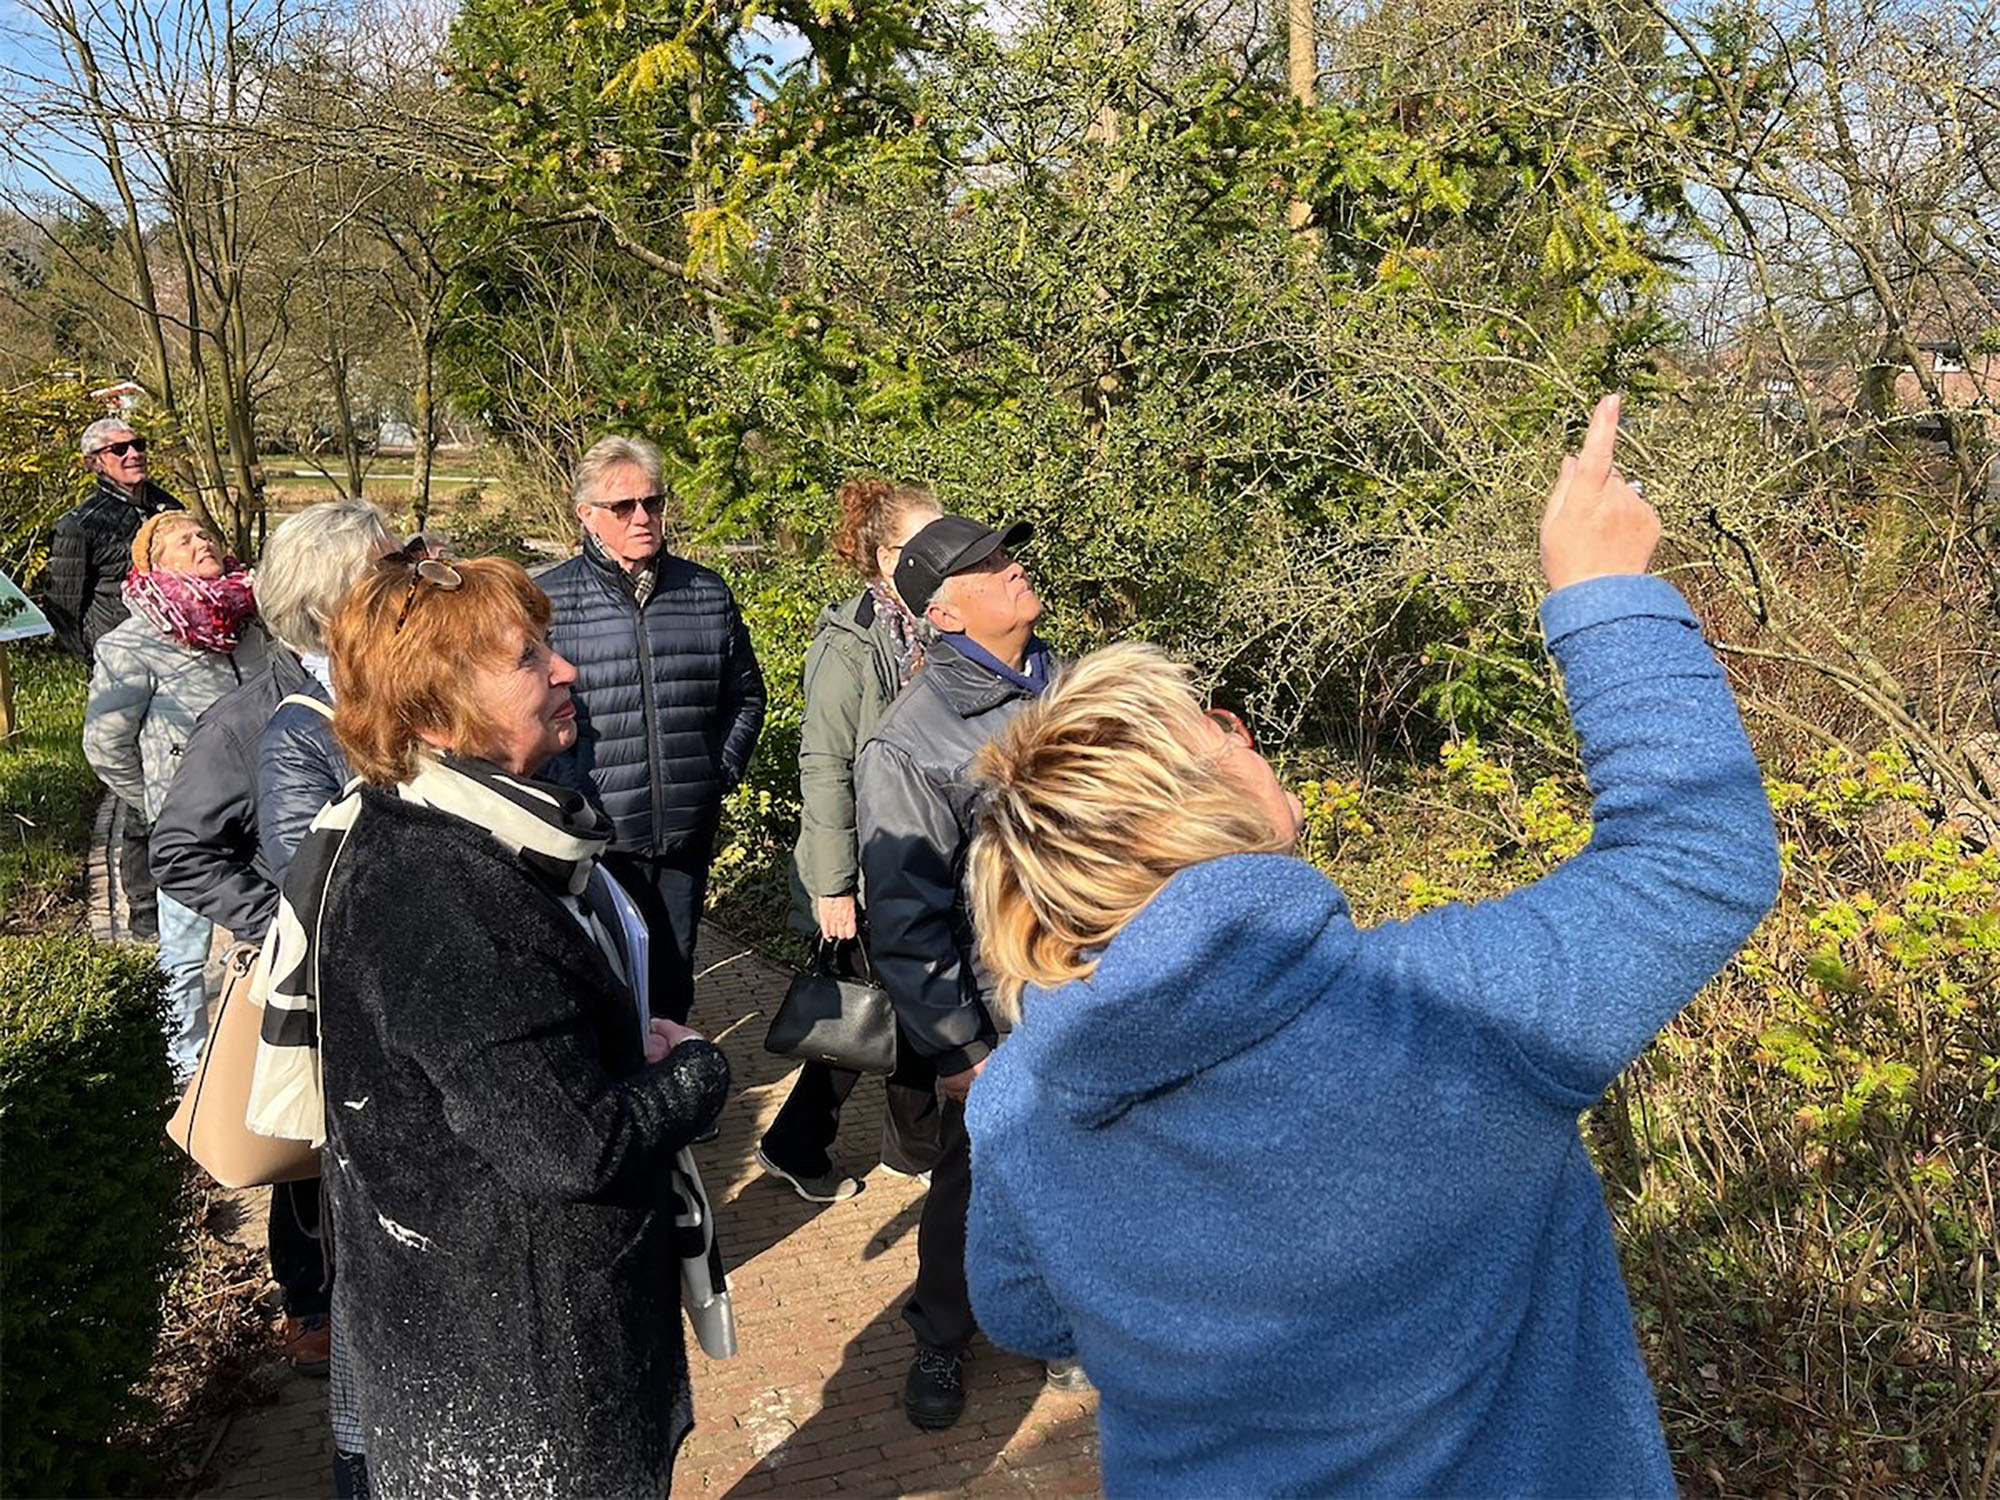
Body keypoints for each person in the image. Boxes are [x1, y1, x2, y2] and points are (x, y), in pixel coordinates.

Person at [960, 396, 1782, 1496]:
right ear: (1204, 801)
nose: (1244, 733)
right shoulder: (1452, 1016)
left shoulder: (1015, 1102)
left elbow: (1017, 1309)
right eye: (1220, 723)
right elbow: (1695, 856)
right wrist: (1604, 591)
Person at [278, 554, 730, 1496]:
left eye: (550, 645)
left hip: (492, 1342)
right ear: (436, 717)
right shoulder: (441, 894)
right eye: (530, 658)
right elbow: (569, 1145)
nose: (568, 670)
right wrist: (693, 1074)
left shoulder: (448, 832)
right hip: (522, 1387)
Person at [149, 498, 392, 1491]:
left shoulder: (406, 694)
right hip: (315, 998)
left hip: (397, 1000)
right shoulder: (251, 719)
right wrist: (272, 921)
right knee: (310, 1163)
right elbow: (179, 846)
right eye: (389, 572)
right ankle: (313, 1309)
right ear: (342, 601)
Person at [853, 511, 1081, 1432]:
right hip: (1000, 1007)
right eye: (985, 566)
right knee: (972, 1176)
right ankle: (941, 1337)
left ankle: (1064, 1322)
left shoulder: (1071, 683)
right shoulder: (911, 741)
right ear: (944, 615)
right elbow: (904, 917)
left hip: (1097, 985)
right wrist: (954, 1047)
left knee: (1083, 1167)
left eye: (1005, 552)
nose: (1012, 567)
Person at [755, 478, 946, 1203]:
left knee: (905, 998)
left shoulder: (938, 625)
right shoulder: (850, 644)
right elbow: (824, 765)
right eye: (924, 545)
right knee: (862, 1010)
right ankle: (794, 1144)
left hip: (922, 854)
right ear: (882, 554)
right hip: (871, 862)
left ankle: (908, 1147)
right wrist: (831, 885)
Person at [541, 436, 767, 1024]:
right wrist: (569, 795)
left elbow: (744, 696)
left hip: (683, 835)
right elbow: (527, 714)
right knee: (602, 980)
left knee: (672, 975)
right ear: (586, 515)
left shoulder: (705, 593)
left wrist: (716, 773)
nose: (643, 517)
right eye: (624, 507)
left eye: (653, 502)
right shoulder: (547, 601)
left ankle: (679, 1098)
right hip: (594, 837)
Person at [83, 512, 267, 1082]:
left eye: (204, 534)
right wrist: (160, 804)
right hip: (193, 826)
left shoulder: (255, 624)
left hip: (267, 813)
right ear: (154, 563)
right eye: (182, 540)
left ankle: (260, 1055)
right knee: (185, 953)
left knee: (266, 939)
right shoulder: (132, 643)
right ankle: (183, 1065)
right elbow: (106, 743)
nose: (201, 542)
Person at [47, 417, 184, 939]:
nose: (132, 454)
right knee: (137, 795)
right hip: (124, 673)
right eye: (118, 448)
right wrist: (100, 665)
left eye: (137, 444)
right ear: (94, 462)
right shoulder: (80, 526)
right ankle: (146, 915)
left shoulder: (167, 508)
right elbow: (63, 607)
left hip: (181, 670)